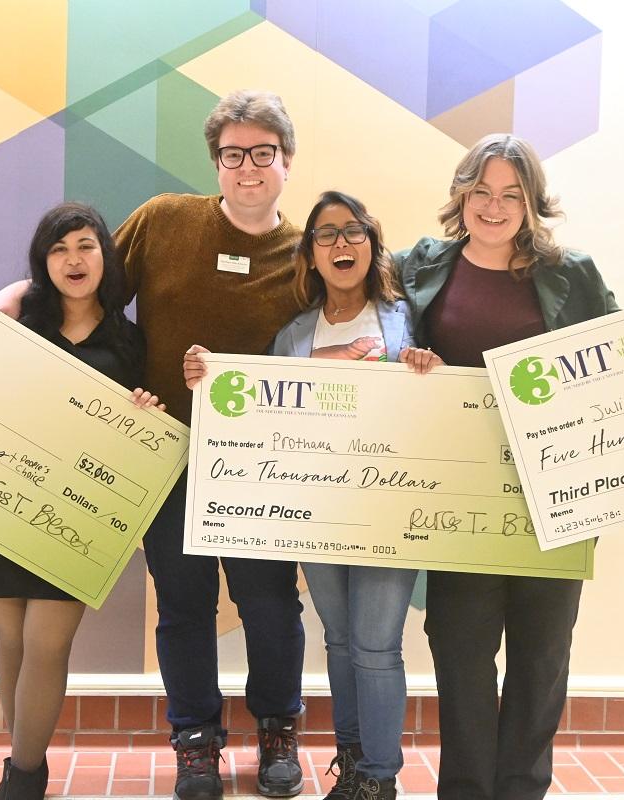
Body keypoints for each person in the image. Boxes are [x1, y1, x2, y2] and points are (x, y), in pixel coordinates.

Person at [395, 133, 624, 800]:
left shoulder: (572, 272)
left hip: (556, 499)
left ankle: (522, 790)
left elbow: (619, 352)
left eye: (512, 195)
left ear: (533, 204)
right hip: (461, 502)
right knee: (463, 658)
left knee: (540, 659)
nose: (495, 207)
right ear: (462, 195)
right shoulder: (421, 265)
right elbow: (364, 311)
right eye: (482, 192)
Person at [184, 191, 440, 800]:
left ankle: (379, 777)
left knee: (377, 646)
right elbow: (262, 416)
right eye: (326, 235)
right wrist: (205, 374)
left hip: (388, 509)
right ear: (311, 255)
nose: (340, 244)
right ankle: (351, 763)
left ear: (372, 243)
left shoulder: (407, 319)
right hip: (318, 515)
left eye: (353, 231)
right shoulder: (293, 334)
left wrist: (431, 369)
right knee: (342, 640)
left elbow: (439, 405)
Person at [115, 90, 308, 800]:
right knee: (183, 603)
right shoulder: (164, 221)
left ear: (287, 162)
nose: (248, 168)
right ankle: (195, 740)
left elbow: (352, 331)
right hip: (168, 456)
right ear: (216, 163)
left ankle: (279, 728)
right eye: (234, 155)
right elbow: (78, 293)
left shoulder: (307, 253)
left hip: (263, 469)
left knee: (270, 603)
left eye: (263, 154)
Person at [0, 201, 164, 800]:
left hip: (79, 512)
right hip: (1, 497)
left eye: (86, 245)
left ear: (105, 257)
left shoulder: (131, 339)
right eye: (60, 249)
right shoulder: (17, 313)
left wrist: (144, 415)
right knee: (10, 640)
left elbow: (146, 430)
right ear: (44, 262)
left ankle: (23, 776)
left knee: (46, 642)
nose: (73, 259)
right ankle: (24, 759)